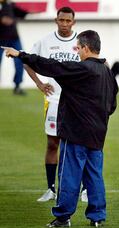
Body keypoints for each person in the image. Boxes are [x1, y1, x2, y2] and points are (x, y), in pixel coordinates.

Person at [2, 29, 118, 228]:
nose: (78, 52)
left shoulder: (82, 69)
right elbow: (112, 105)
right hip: (98, 134)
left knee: (69, 176)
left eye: (79, 48)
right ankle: (97, 216)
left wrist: (20, 54)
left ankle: (63, 216)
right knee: (94, 176)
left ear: (87, 48)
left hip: (76, 133)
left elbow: (51, 66)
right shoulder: (107, 71)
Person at [24, 6, 87, 203]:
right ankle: (51, 188)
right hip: (54, 100)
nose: (65, 24)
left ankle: (84, 188)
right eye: (62, 20)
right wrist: (39, 83)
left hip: (78, 102)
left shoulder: (82, 42)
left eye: (69, 21)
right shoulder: (45, 42)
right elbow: (27, 61)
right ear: (56, 20)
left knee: (81, 145)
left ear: (74, 22)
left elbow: (98, 63)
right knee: (53, 144)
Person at [0, 0, 27, 95]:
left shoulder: (11, 5)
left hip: (14, 38)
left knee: (21, 60)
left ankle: (18, 86)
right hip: (1, 38)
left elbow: (22, 13)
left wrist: (32, 11)